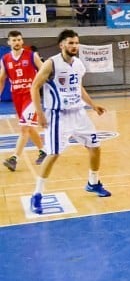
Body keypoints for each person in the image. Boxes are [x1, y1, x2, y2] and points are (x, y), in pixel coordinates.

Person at [28, 29, 110, 215]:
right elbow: (34, 87)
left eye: (76, 43)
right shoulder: (51, 64)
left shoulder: (79, 64)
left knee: (95, 146)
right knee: (54, 153)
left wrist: (92, 105)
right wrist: (40, 113)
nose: (74, 46)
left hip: (79, 113)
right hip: (58, 115)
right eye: (71, 43)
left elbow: (78, 87)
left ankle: (93, 182)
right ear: (62, 45)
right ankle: (37, 194)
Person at [0, 31, 46, 171]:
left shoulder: (32, 55)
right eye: (14, 40)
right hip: (17, 97)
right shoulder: (5, 59)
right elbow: (2, 79)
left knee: (24, 128)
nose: (17, 42)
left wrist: (42, 85)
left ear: (22, 41)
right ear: (9, 42)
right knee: (29, 127)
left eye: (19, 40)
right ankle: (43, 151)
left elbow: (44, 70)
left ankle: (14, 158)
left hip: (31, 96)